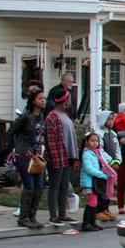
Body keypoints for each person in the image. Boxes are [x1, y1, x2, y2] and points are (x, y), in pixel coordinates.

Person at [10, 89, 47, 228]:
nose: (43, 100)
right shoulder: (26, 117)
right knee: (29, 187)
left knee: (39, 187)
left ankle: (32, 216)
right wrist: (14, 149)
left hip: (37, 157)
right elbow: (11, 131)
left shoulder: (41, 117)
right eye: (40, 98)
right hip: (24, 156)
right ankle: (23, 217)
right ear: (33, 101)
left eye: (44, 98)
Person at [44, 87, 78, 226]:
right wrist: (54, 158)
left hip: (67, 156)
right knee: (55, 186)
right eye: (68, 99)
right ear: (64, 101)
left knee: (64, 186)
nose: (70, 102)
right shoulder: (52, 117)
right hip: (57, 157)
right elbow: (51, 141)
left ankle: (63, 214)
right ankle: (53, 215)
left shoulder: (66, 116)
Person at [79, 132, 114, 232]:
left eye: (97, 141)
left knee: (95, 202)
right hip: (89, 182)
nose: (95, 143)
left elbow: (105, 164)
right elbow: (88, 168)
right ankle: (86, 224)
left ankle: (92, 222)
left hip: (97, 182)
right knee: (92, 202)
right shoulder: (86, 153)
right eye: (92, 141)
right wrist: (103, 175)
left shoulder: (98, 153)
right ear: (87, 142)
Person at [95, 110, 121, 222]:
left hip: (111, 168)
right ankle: (99, 210)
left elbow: (117, 149)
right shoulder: (99, 134)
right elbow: (100, 151)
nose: (111, 121)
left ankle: (106, 208)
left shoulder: (113, 134)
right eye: (109, 119)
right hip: (102, 166)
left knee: (109, 189)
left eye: (112, 119)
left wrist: (118, 161)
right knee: (101, 188)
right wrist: (111, 161)